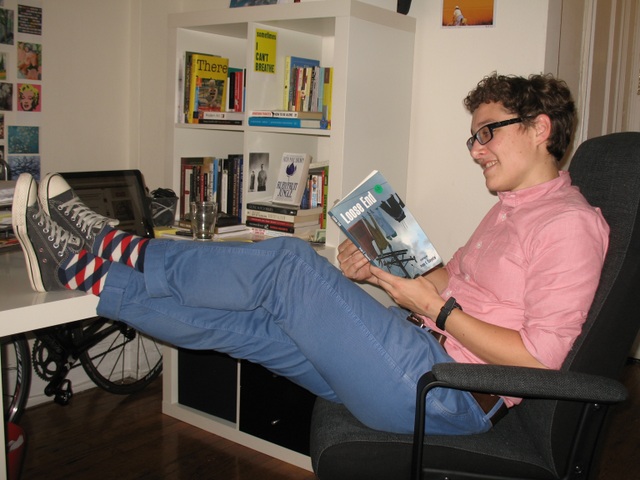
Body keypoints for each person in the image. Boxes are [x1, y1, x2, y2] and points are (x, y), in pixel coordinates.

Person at [11, 73, 609, 436]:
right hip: (411, 358)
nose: (476, 150)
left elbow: (540, 362)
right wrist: (384, 267)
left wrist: (436, 306)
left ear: (540, 127)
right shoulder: (509, 209)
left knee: (289, 263)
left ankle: (115, 244)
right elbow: (455, 287)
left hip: (447, 392)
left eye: (488, 132)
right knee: (247, 324)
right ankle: (84, 272)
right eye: (473, 136)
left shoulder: (569, 223)